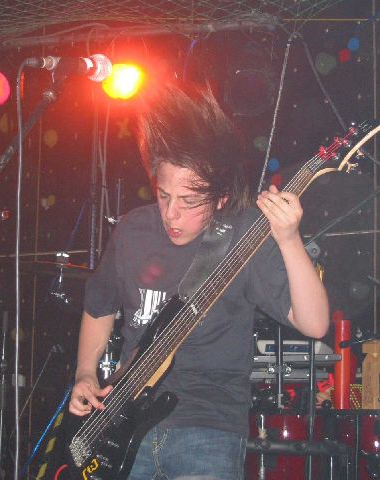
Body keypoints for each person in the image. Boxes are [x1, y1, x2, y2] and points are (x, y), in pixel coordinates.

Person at [69, 83, 329, 480]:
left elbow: (315, 323)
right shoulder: (133, 230)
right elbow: (99, 306)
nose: (171, 214)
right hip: (122, 424)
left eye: (189, 201)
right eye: (164, 195)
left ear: (220, 197)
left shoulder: (244, 235)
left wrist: (289, 239)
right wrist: (85, 373)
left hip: (208, 428)